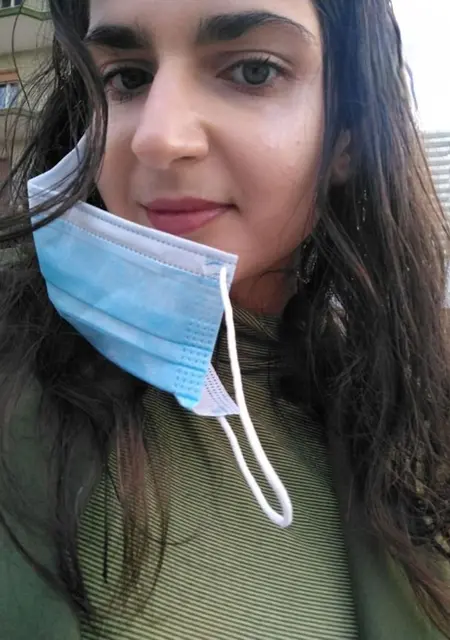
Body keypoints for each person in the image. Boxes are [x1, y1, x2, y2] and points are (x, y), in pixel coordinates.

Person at [0, 0, 449, 638]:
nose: (158, 137)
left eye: (253, 71)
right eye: (127, 78)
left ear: (348, 135)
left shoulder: (410, 416)